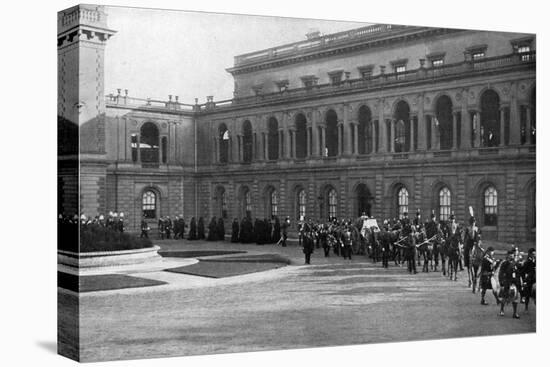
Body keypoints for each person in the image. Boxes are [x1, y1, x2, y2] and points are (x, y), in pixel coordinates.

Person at [498, 250, 521, 319]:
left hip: (514, 282)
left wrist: (519, 282)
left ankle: (515, 313)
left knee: (515, 297)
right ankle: (501, 310)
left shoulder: (515, 263)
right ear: (507, 255)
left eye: (512, 255)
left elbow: (518, 273)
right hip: (507, 282)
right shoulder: (505, 263)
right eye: (510, 255)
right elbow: (501, 273)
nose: (511, 256)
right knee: (505, 297)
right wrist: (502, 282)